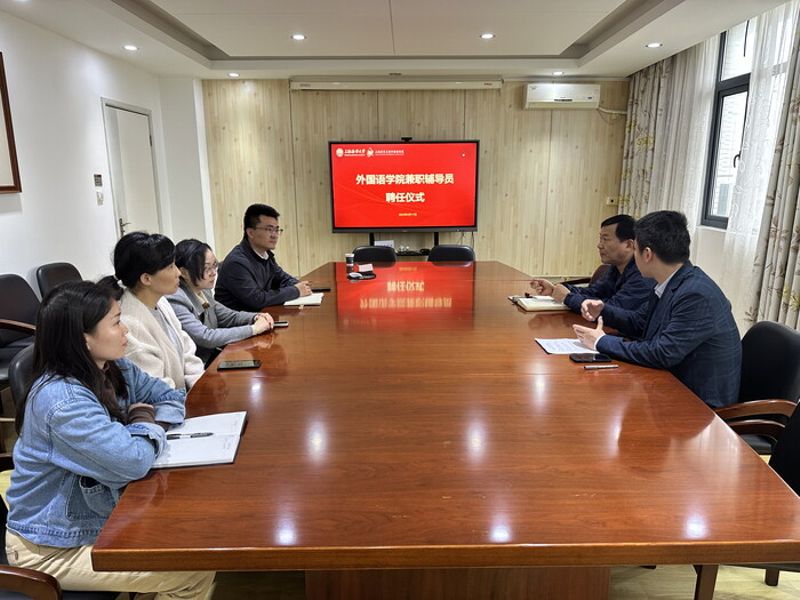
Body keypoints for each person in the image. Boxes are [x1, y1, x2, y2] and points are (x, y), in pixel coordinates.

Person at [5, 281, 215, 598]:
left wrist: (144, 423)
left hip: (100, 514)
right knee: (191, 569)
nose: (125, 330)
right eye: (116, 322)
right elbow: (132, 460)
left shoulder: (113, 368)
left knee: (194, 535)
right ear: (83, 339)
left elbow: (172, 397)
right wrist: (142, 419)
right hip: (50, 547)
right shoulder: (62, 401)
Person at [573, 210, 741, 408]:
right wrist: (603, 309)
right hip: (670, 384)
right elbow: (639, 322)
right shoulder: (671, 281)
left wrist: (601, 341)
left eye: (635, 250)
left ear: (647, 254)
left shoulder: (696, 295)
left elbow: (662, 353)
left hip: (699, 406)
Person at [101, 232, 204, 390]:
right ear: (146, 279)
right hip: (167, 401)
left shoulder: (160, 300)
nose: (178, 273)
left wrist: (200, 384)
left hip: (186, 394)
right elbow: (156, 386)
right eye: (170, 267)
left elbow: (185, 347)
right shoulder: (129, 325)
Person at [168, 238, 275, 364]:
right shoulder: (176, 298)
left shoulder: (204, 290)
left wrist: (256, 317)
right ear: (184, 272)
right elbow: (206, 337)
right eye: (206, 268)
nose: (213, 273)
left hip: (215, 358)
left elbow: (229, 316)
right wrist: (253, 329)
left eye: (214, 265)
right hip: (198, 366)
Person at [530, 214, 653, 318]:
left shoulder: (643, 274)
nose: (599, 245)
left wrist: (568, 297)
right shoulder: (615, 267)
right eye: (600, 239)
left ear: (628, 245)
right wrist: (555, 289)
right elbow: (594, 293)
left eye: (605, 239)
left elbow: (614, 309)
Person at [215, 203, 312, 311]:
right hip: (241, 320)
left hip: (261, 316)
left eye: (277, 230)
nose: (274, 235)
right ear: (251, 233)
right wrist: (296, 291)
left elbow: (282, 279)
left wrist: (299, 285)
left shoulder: (266, 255)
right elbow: (257, 300)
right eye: (269, 229)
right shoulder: (236, 263)